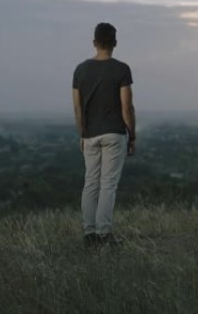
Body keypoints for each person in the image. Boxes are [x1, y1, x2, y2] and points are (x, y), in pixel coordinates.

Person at [72, 22, 136, 248]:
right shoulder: (121, 69)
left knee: (90, 183)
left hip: (90, 135)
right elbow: (126, 107)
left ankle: (89, 234)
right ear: (115, 43)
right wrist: (133, 135)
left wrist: (82, 134)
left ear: (94, 42)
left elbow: (78, 108)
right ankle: (104, 234)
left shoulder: (80, 70)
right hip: (114, 134)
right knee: (108, 185)